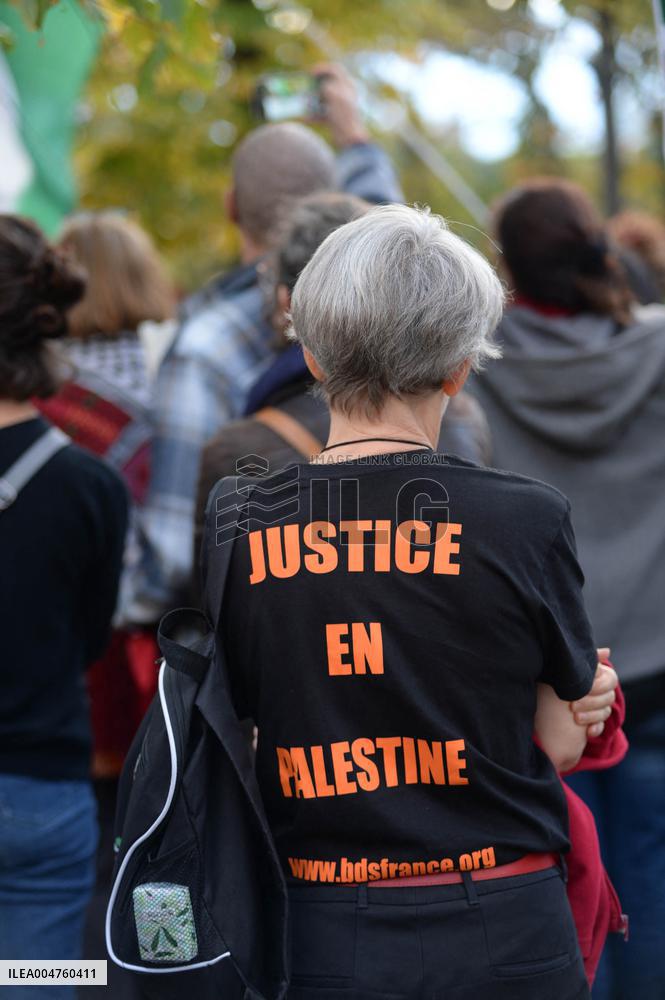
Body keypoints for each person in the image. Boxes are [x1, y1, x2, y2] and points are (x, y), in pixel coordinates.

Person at [209, 203, 606, 999]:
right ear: (460, 369)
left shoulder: (240, 518)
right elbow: (557, 746)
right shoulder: (525, 517)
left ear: (313, 357)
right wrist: (586, 696)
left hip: (324, 921)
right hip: (504, 919)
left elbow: (247, 729)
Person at [471, 177, 665, 1000]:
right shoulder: (657, 348)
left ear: (508, 268)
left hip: (548, 671)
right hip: (657, 655)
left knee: (563, 877)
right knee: (653, 870)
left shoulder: (479, 365)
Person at [124, 64, 404, 626]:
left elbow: (175, 553)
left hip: (272, 636)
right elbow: (389, 216)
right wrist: (352, 136)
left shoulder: (205, 349)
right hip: (402, 604)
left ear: (231, 207)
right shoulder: (392, 296)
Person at [194, 193, 490, 570]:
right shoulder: (478, 443)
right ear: (460, 369)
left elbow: (209, 613)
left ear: (310, 353)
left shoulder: (235, 473)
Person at [0, 215, 128, 996]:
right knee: (44, 981)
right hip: (44, 795)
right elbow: (88, 638)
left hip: (48, 788)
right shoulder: (92, 484)